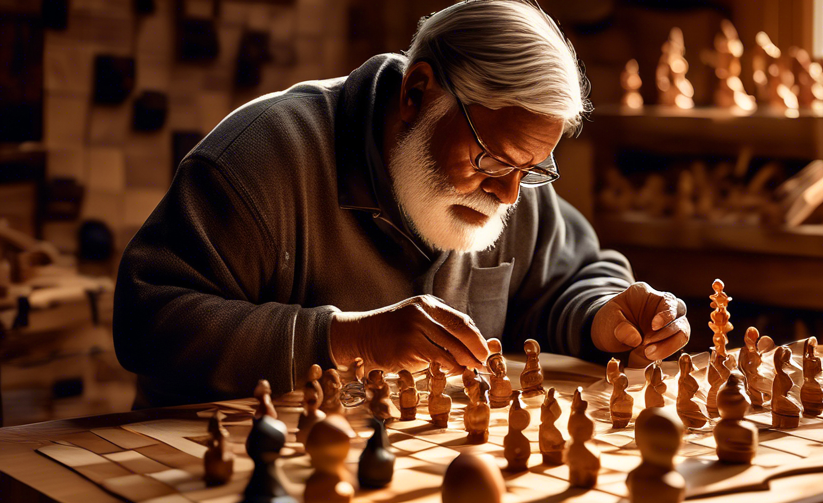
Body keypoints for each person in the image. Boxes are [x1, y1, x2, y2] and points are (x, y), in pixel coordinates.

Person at [113, 0, 690, 408]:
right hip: (225, 474)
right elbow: (146, 321)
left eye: (529, 170)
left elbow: (569, 278)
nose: (508, 193)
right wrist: (347, 339)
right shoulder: (266, 154)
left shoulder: (509, 178)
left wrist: (602, 316)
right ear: (417, 93)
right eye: (491, 160)